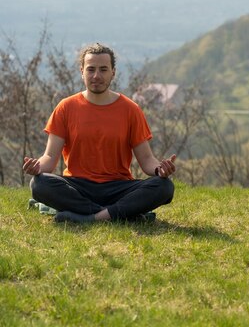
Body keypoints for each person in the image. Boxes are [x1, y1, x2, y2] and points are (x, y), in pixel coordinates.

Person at [22, 43, 176, 223]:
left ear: (113, 72)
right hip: (78, 187)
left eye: (103, 69)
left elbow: (147, 160)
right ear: (82, 71)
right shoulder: (66, 107)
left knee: (164, 187)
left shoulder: (130, 110)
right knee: (39, 184)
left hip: (118, 187)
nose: (96, 76)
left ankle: (90, 217)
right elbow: (49, 156)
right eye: (91, 69)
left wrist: (160, 170)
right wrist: (37, 168)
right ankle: (117, 214)